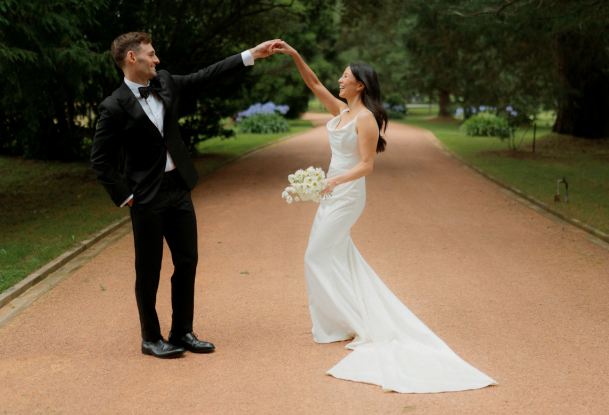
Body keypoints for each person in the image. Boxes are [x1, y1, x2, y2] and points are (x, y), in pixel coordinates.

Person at [271, 41, 497, 393]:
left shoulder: (365, 119)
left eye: (345, 77)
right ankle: (341, 321)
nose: (339, 80)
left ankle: (353, 320)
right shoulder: (340, 112)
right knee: (335, 255)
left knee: (315, 254)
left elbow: (366, 165)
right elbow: (314, 84)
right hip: (330, 192)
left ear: (360, 85)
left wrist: (332, 181)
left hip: (346, 194)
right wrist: (294, 55)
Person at [91, 32, 278, 359]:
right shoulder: (113, 106)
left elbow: (206, 76)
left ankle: (182, 331)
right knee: (148, 270)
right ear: (132, 58)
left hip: (178, 188)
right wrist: (127, 197)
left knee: (187, 261)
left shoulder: (164, 81)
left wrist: (251, 54)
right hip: (145, 197)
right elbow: (100, 161)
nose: (157, 59)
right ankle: (151, 338)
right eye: (151, 54)